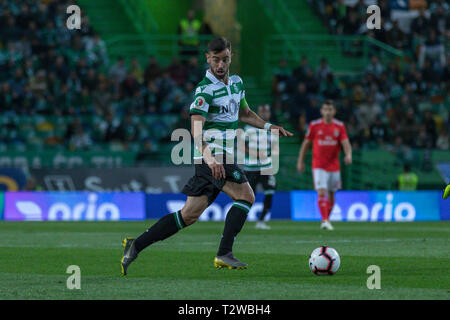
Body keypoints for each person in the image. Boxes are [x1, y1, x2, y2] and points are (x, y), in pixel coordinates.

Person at [121, 37, 293, 275]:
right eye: (215, 60)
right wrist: (211, 159)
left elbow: (245, 113)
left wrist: (268, 126)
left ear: (231, 56)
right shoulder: (204, 90)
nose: (220, 65)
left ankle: (135, 245)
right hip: (212, 156)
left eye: (224, 59)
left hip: (218, 157)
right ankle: (224, 253)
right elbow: (196, 131)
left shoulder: (237, 83)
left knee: (188, 215)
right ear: (207, 59)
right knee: (246, 196)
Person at [296, 100, 352, 230]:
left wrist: (348, 154)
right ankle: (325, 220)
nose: (328, 112)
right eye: (325, 109)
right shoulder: (314, 126)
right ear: (321, 111)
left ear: (334, 111)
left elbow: (345, 142)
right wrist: (300, 161)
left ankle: (327, 219)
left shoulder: (339, 126)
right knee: (322, 192)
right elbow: (306, 144)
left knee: (332, 194)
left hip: (334, 166)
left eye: (330, 109)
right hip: (319, 165)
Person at [241, 104, 278, 230]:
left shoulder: (272, 129)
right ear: (257, 112)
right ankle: (240, 219)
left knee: (270, 191)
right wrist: (255, 154)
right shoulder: (248, 128)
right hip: (251, 168)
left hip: (266, 167)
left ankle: (261, 221)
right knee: (248, 196)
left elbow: (273, 148)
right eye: (262, 111)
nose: (265, 113)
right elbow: (241, 146)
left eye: (267, 111)